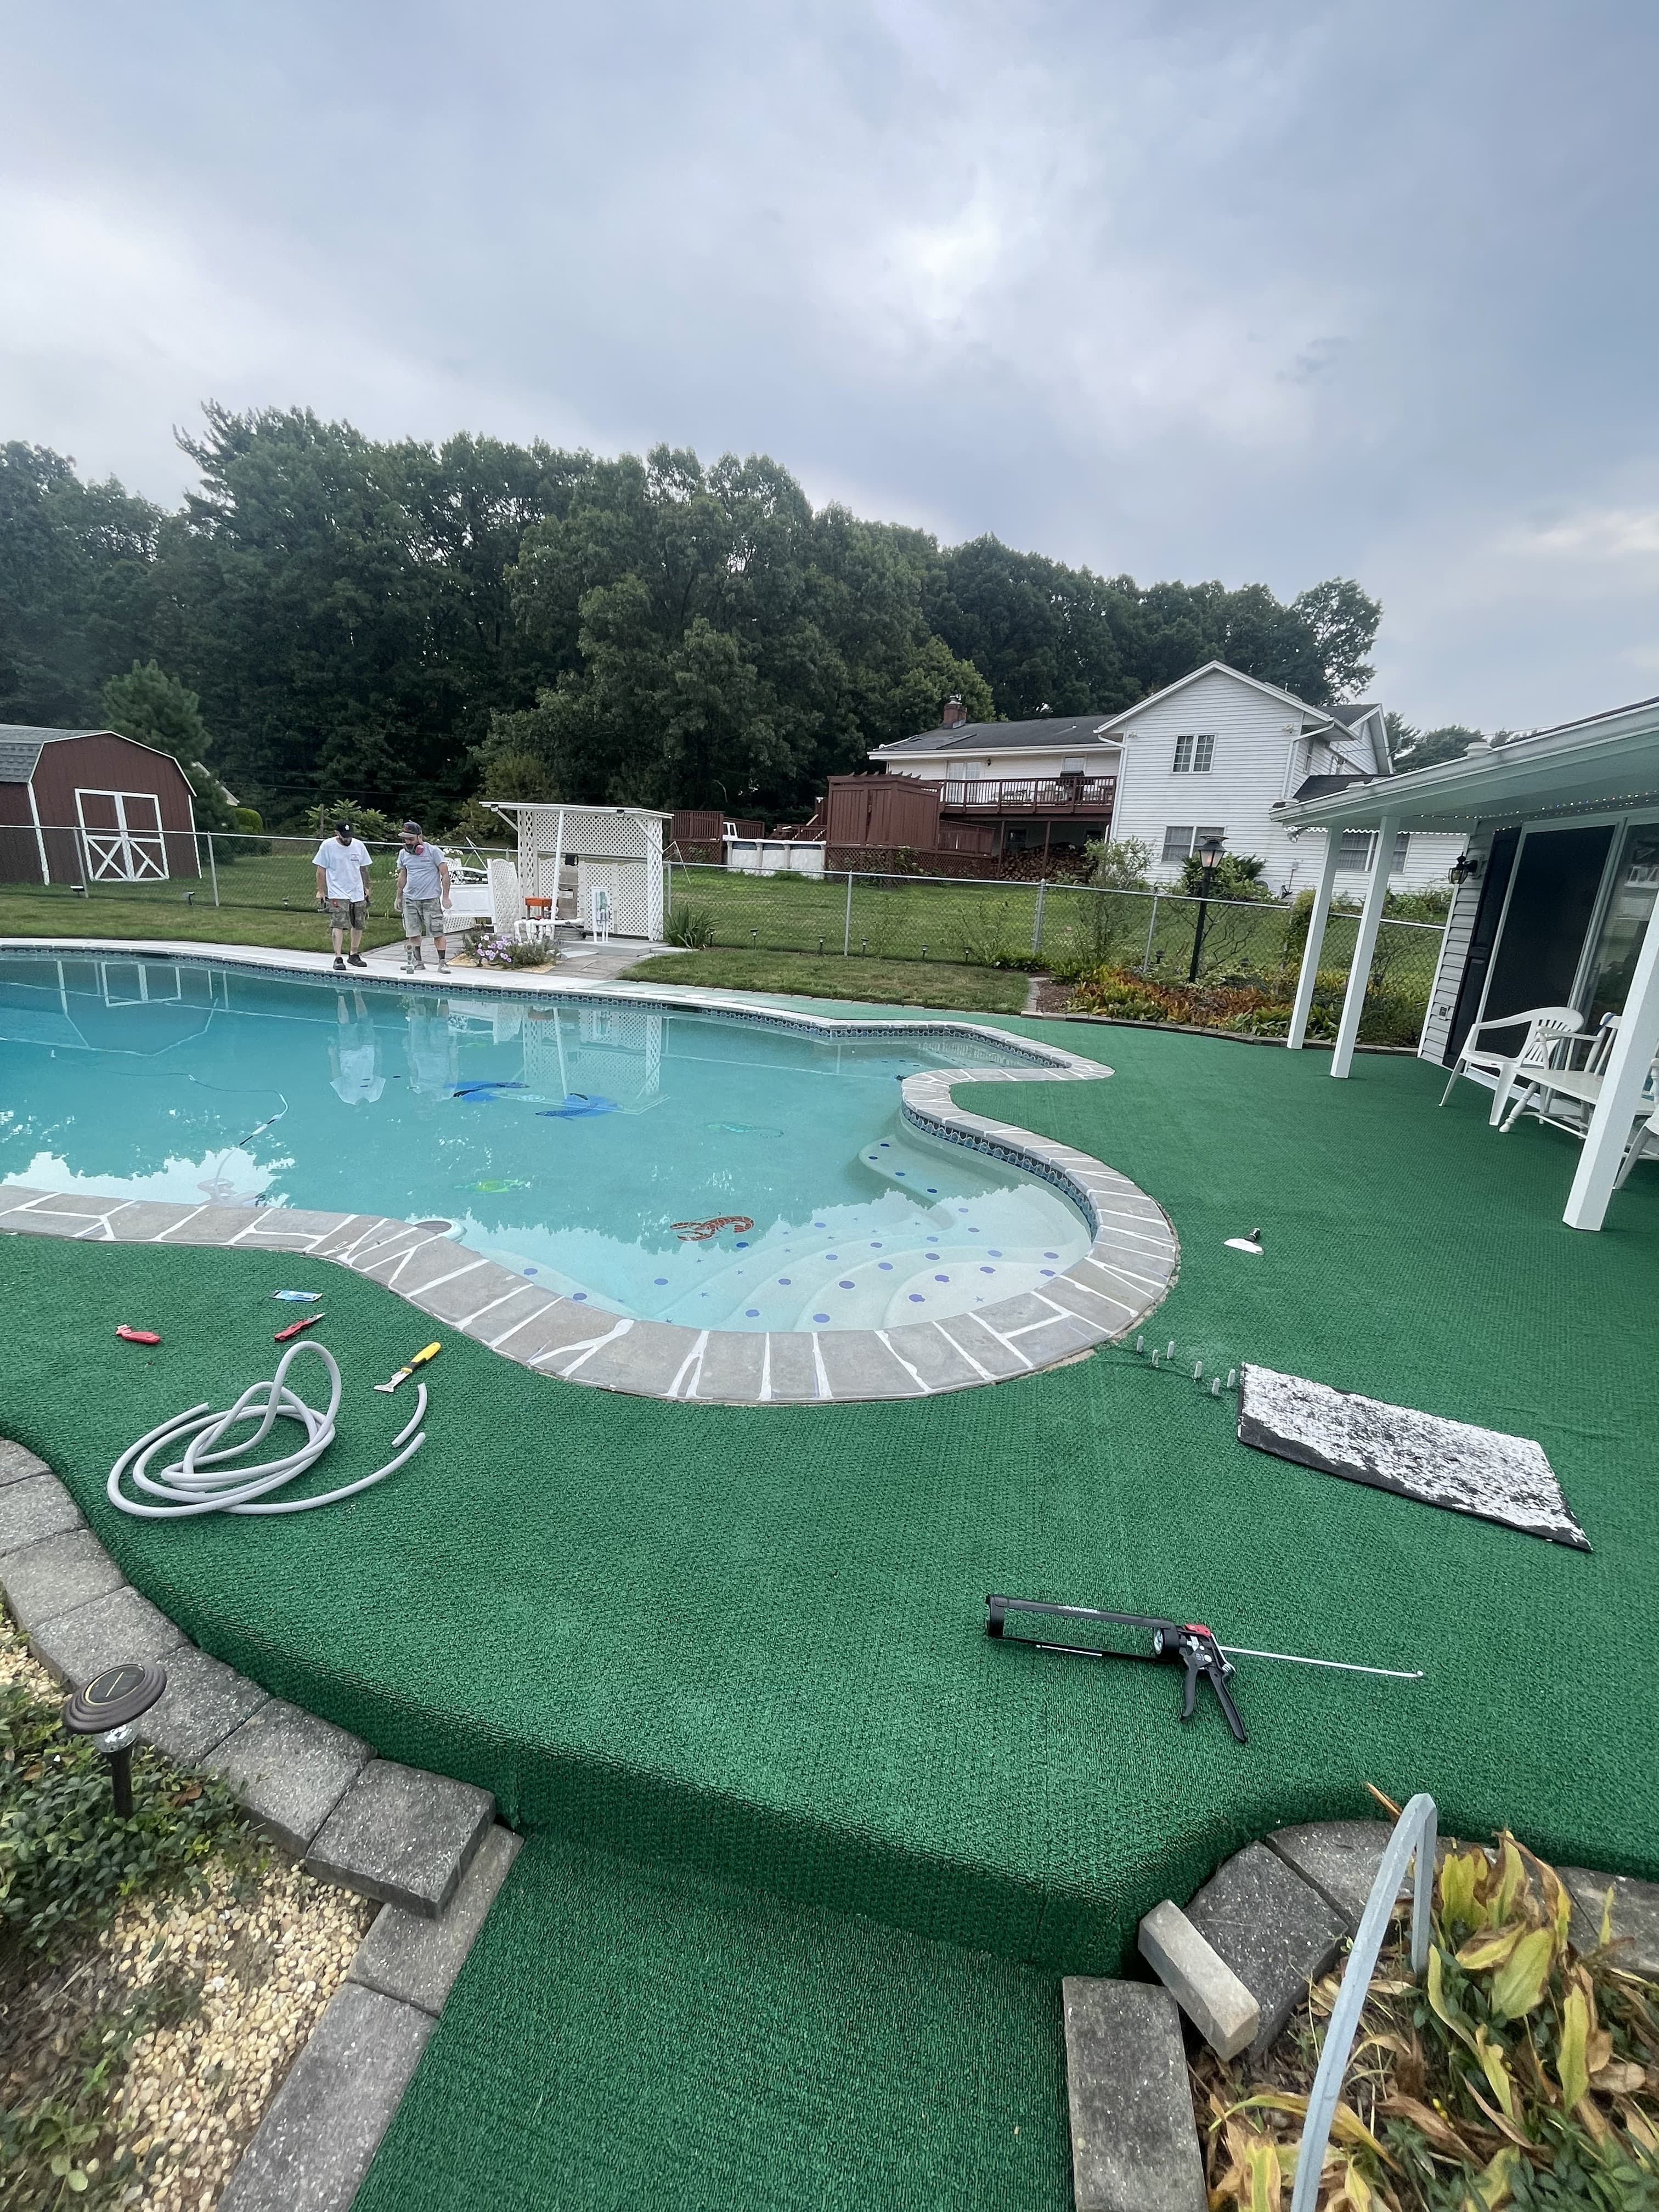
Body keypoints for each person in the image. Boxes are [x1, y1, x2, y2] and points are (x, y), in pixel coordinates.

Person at [313, 821, 374, 970]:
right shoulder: (328, 846)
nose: (347, 839)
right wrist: (321, 890)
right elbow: (321, 870)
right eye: (344, 836)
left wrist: (367, 887)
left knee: (359, 924)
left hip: (357, 892)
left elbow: (364, 868)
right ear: (337, 833)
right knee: (338, 924)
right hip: (337, 892)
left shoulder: (359, 845)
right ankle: (338, 957)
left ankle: (354, 954)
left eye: (349, 836)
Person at [395, 820, 452, 974]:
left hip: (430, 899)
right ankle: (417, 962)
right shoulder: (403, 854)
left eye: (411, 839)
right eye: (405, 839)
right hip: (410, 899)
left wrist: (446, 897)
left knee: (437, 931)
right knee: (413, 932)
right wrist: (399, 896)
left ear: (420, 837)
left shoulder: (433, 851)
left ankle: (442, 963)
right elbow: (403, 876)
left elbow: (445, 874)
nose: (408, 842)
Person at [329, 991, 385, 1106]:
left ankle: (341, 995)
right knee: (364, 1020)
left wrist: (333, 1055)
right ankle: (356, 992)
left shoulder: (346, 1098)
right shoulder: (375, 1096)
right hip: (368, 1052)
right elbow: (378, 1071)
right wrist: (379, 1051)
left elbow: (337, 1076)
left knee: (345, 1024)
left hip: (349, 1054)